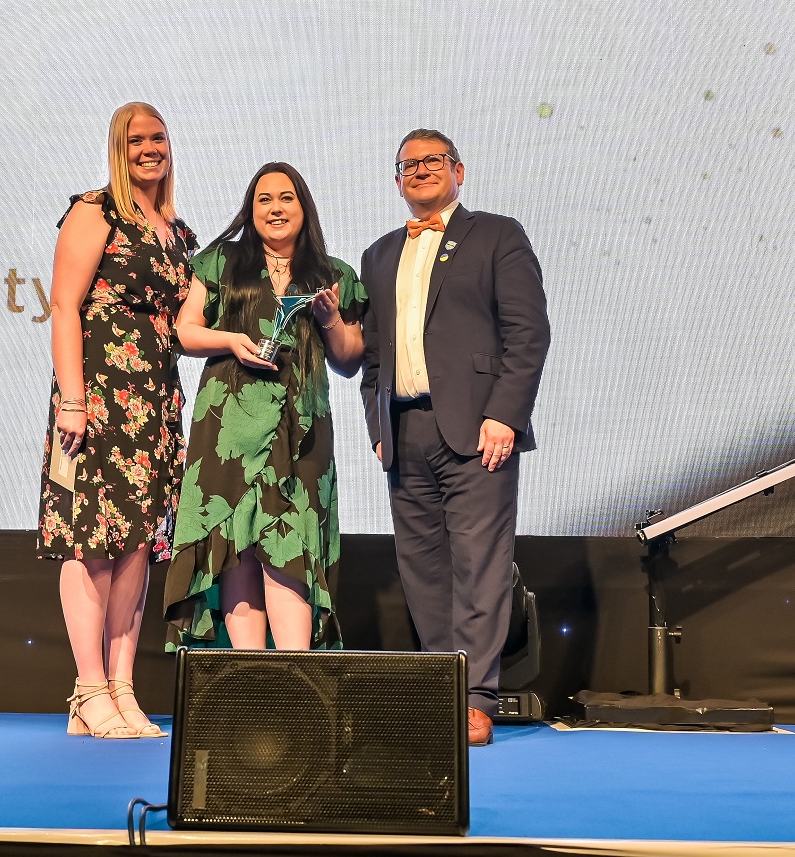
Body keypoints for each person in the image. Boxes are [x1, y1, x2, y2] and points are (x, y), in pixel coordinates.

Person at [359, 129, 549, 746]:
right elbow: (373, 358)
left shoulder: (498, 234)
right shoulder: (379, 254)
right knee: (422, 569)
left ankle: (475, 699)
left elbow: (528, 334)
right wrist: (377, 428)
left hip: (477, 429)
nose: (419, 172)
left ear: (458, 171)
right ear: (396, 181)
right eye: (407, 165)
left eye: (431, 162)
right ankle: (439, 692)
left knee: (480, 566)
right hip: (404, 432)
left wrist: (506, 415)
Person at [39, 102, 197, 739]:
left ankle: (123, 688)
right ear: (118, 147)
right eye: (136, 140)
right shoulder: (93, 210)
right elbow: (63, 306)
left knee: (138, 545)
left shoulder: (176, 231)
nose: (149, 149)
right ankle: (87, 689)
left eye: (158, 137)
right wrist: (73, 400)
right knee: (89, 541)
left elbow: (182, 326)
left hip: (155, 404)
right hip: (97, 399)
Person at [165, 162, 366, 651]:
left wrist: (332, 319)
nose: (276, 208)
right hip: (227, 427)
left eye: (286, 198)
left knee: (291, 540)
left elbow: (350, 359)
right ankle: (251, 684)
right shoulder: (220, 261)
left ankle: (294, 685)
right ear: (250, 210)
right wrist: (231, 340)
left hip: (300, 429)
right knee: (236, 546)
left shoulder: (334, 274)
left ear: (304, 207)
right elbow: (184, 331)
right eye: (264, 199)